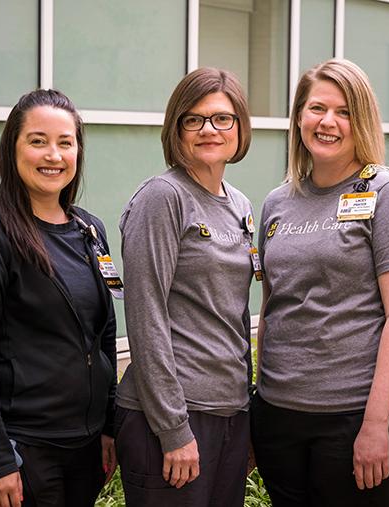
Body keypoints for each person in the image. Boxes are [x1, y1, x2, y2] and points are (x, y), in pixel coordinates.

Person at [251, 58, 389, 507]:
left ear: (362, 120)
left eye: (344, 111)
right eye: (317, 108)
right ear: (299, 118)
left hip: (356, 417)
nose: (328, 122)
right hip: (280, 415)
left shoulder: (387, 194)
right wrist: (260, 399)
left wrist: (375, 424)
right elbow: (273, 309)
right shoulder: (277, 202)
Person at [0, 89, 119, 507]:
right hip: (23, 449)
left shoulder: (90, 231)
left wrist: (110, 424)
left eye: (66, 142)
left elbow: (105, 335)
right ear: (13, 148)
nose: (53, 155)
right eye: (38, 140)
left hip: (85, 443)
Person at [114, 67, 254, 507]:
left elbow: (233, 313)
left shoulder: (241, 205)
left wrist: (245, 414)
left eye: (221, 118)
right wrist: (174, 429)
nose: (208, 129)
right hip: (173, 417)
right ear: (176, 129)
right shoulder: (163, 197)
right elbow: (145, 316)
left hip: (229, 412)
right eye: (193, 119)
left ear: (239, 126)